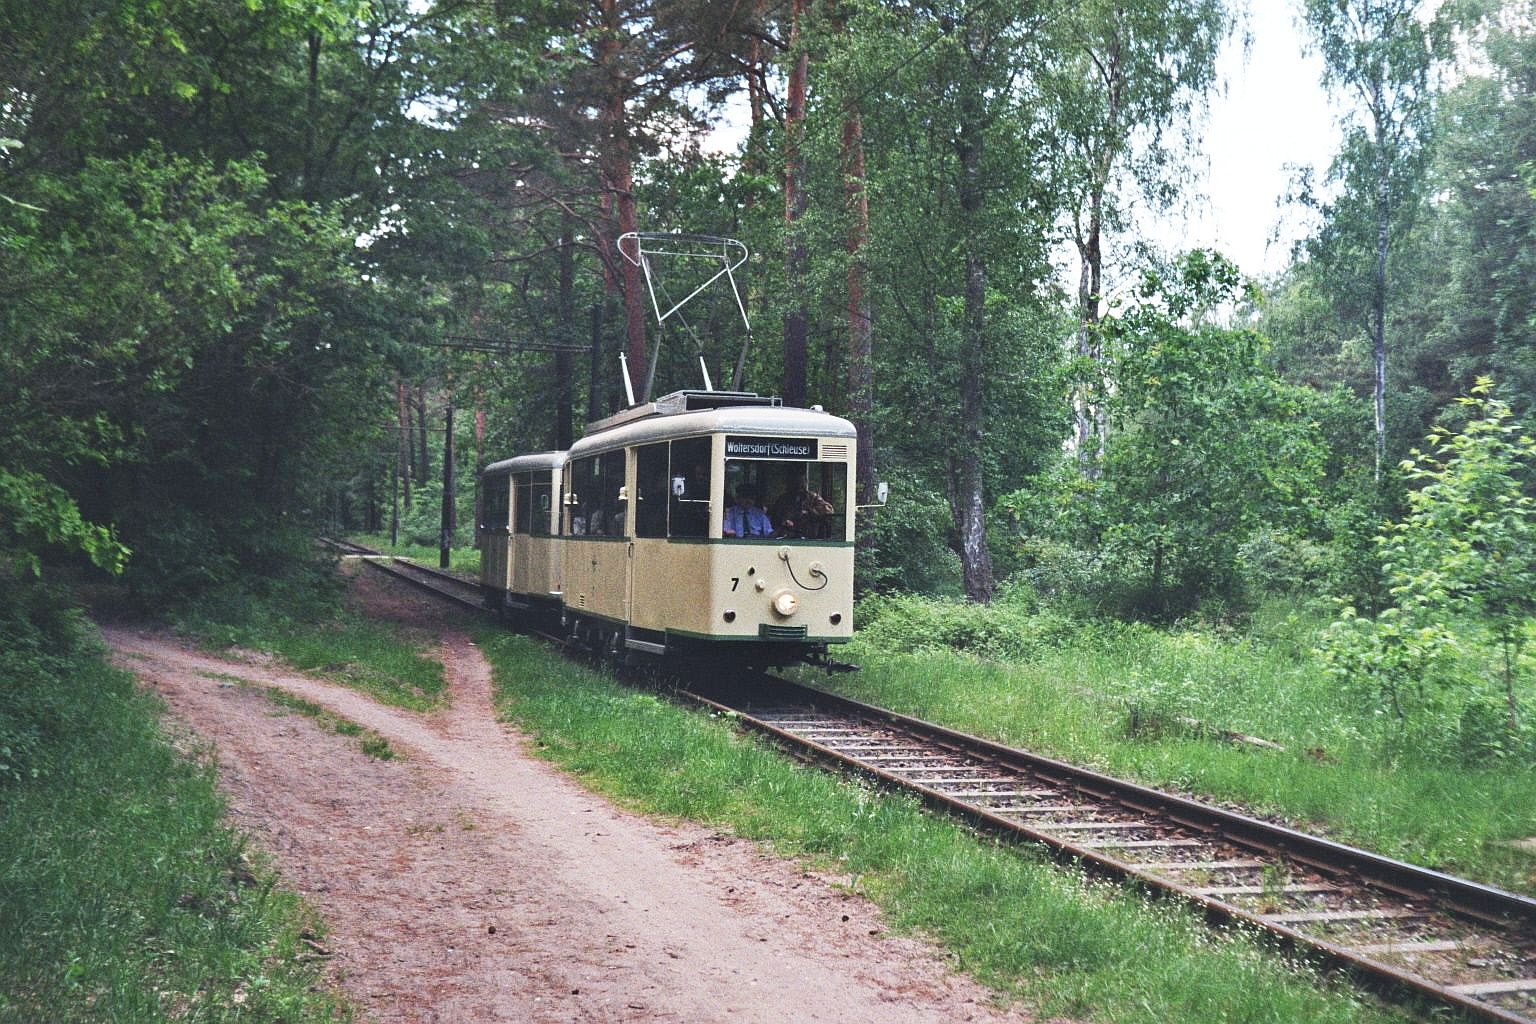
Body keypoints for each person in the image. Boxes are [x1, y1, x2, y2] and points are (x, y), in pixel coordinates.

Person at [770, 476, 835, 539]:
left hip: (807, 535)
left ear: (805, 484)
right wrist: (784, 521)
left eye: (801, 483)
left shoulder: (813, 497)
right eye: (796, 484)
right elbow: (774, 515)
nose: (798, 487)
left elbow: (829, 510)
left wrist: (808, 512)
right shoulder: (783, 499)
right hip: (786, 534)